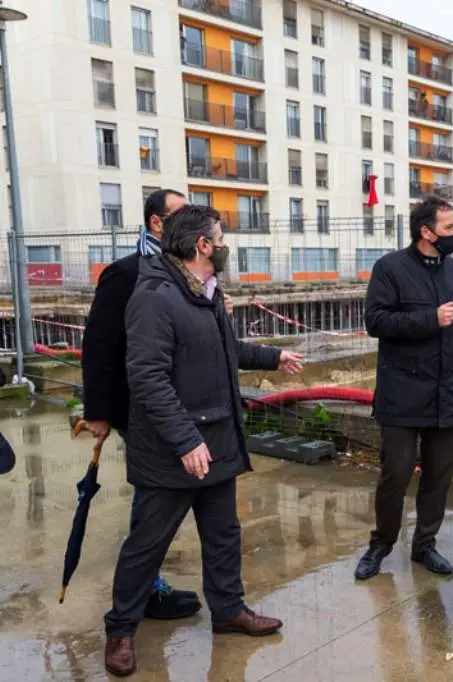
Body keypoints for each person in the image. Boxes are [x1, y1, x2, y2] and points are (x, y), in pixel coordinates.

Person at [103, 205, 304, 677]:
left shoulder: (206, 293)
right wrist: (185, 440)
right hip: (174, 449)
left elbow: (223, 350)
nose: (224, 243)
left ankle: (229, 610)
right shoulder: (155, 296)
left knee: (223, 536)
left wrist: (275, 356)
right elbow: (148, 378)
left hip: (215, 441)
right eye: (220, 236)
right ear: (203, 246)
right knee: (147, 545)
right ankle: (120, 630)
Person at [81, 188, 202, 621]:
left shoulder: (189, 271)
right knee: (154, 495)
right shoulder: (127, 273)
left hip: (184, 403)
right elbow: (99, 344)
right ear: (157, 223)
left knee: (166, 493)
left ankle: (146, 582)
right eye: (182, 214)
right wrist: (97, 410)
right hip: (142, 406)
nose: (193, 221)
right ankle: (146, 589)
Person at [354, 195, 453, 581]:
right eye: (448, 228)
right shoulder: (390, 268)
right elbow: (376, 322)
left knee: (438, 474)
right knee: (395, 473)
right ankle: (380, 545)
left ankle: (425, 545)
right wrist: (428, 318)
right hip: (402, 393)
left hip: (447, 392)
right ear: (425, 232)